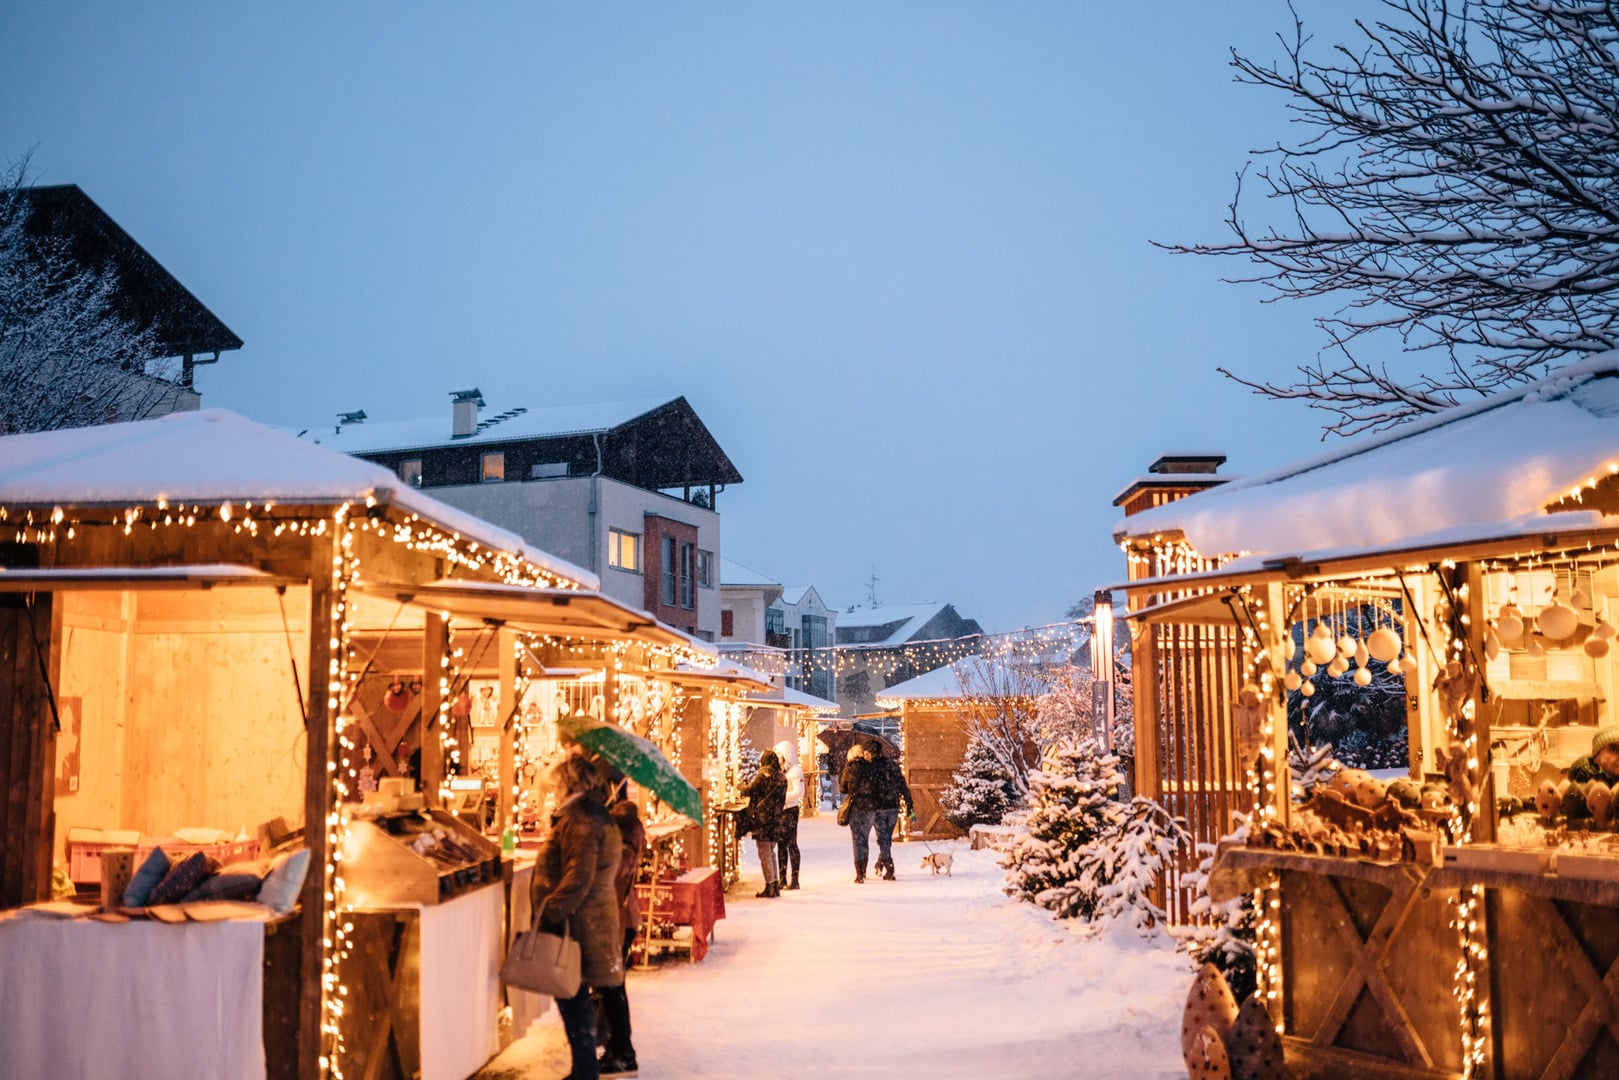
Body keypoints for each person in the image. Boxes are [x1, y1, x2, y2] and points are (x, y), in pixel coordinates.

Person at [529, 755, 623, 1080]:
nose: (554, 791)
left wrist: (551, 910)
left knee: (573, 994)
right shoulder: (594, 813)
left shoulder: (581, 818)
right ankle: (586, 1066)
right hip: (592, 916)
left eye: (557, 784)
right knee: (577, 993)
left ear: (571, 783)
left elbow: (578, 876)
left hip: (579, 921)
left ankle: (584, 1069)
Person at [595, 797, 644, 1079]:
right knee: (613, 988)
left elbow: (614, 876)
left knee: (613, 988)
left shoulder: (623, 846)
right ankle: (618, 1047)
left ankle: (623, 1052)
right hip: (621, 919)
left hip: (619, 921)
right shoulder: (627, 840)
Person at [740, 748, 787, 897]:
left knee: (764, 853)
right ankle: (775, 884)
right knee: (771, 852)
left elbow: (750, 790)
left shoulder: (763, 776)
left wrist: (740, 787)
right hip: (776, 819)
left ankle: (770, 886)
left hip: (763, 820)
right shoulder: (781, 777)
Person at [868, 739, 916, 881]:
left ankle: (889, 867)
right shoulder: (892, 766)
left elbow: (869, 790)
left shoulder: (871, 768)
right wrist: (909, 805)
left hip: (879, 808)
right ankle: (880, 863)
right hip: (893, 807)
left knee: (883, 839)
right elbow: (903, 786)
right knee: (886, 838)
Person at [839, 743, 879, 883]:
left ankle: (859, 873)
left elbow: (842, 788)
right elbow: (876, 787)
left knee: (857, 840)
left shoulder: (849, 768)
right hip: (869, 808)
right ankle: (864, 868)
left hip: (856, 807)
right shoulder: (871, 767)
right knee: (865, 839)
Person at [774, 740, 803, 890]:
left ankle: (795, 879)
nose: (778, 757)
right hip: (781, 811)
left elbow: (799, 792)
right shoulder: (781, 771)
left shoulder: (796, 771)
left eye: (779, 754)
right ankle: (782, 878)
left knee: (791, 843)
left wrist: (782, 797)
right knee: (781, 845)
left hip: (790, 810)